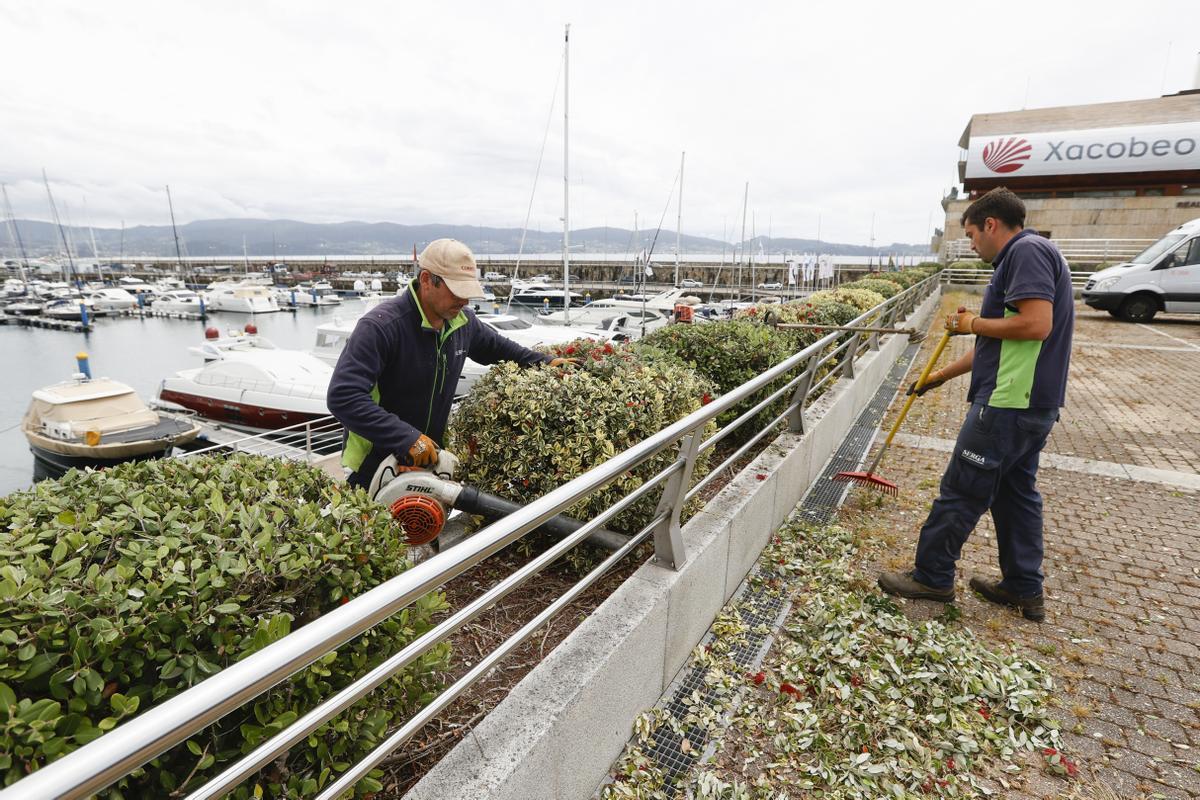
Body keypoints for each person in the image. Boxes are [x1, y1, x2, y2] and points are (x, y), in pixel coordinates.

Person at [878, 188, 1074, 622]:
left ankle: (931, 576)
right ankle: (1023, 588)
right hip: (1031, 406)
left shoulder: (1025, 252)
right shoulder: (1033, 254)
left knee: (962, 489)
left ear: (991, 224)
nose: (971, 244)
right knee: (1015, 495)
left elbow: (1035, 325)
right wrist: (939, 376)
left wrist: (972, 323)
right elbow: (997, 343)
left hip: (1007, 405)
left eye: (971, 234)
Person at [327, 238, 575, 490]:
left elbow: (498, 349)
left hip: (428, 459)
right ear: (426, 280)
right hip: (377, 464)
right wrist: (408, 439)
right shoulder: (380, 327)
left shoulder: (462, 321)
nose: (465, 301)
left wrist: (547, 362)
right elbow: (344, 396)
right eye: (457, 291)